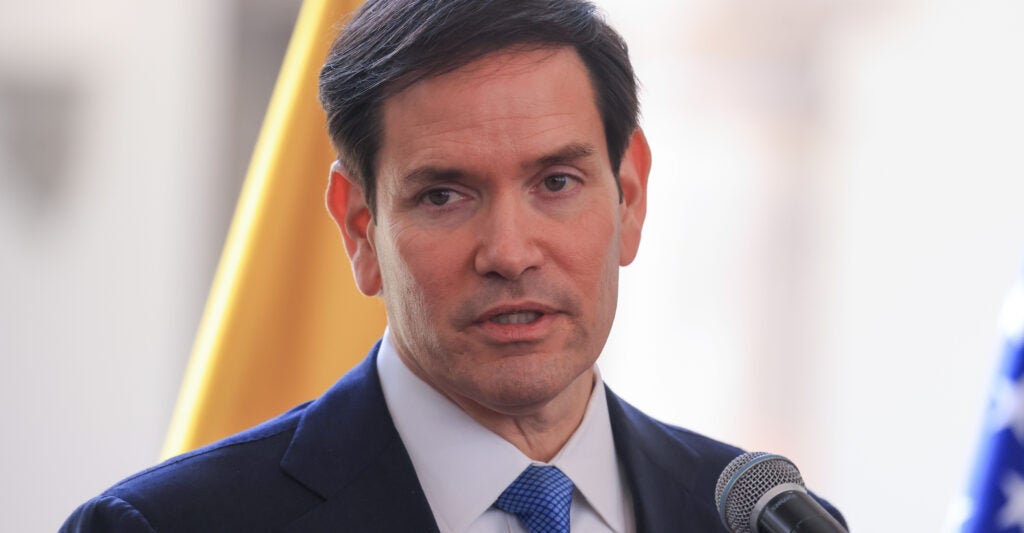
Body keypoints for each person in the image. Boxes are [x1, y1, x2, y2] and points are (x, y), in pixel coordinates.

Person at [62, 1, 846, 531]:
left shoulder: (763, 519)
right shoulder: (171, 525)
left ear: (630, 196)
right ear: (360, 228)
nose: (509, 252)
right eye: (443, 195)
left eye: (556, 182)